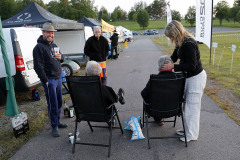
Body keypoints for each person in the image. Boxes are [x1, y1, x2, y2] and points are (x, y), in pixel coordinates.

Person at [161, 20, 207, 142]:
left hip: (196, 78)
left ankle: (192, 134)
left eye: (171, 35)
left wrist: (173, 67)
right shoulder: (179, 42)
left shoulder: (189, 43)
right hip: (188, 77)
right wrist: (166, 63)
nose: (170, 38)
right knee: (186, 105)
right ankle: (187, 129)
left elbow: (191, 65)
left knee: (192, 107)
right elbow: (174, 57)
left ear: (176, 32)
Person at [33, 22, 67, 137]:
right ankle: (54, 126)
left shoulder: (54, 45)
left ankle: (57, 121)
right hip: (50, 80)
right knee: (52, 103)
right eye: (48, 32)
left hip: (58, 78)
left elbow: (62, 58)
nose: (51, 35)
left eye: (52, 33)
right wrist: (45, 80)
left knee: (59, 102)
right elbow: (38, 66)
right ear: (43, 33)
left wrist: (60, 57)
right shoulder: (39, 47)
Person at [141, 56, 174, 126]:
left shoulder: (155, 79)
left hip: (156, 110)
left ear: (159, 66)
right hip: (174, 109)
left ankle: (158, 119)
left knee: (153, 99)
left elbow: (144, 93)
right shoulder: (178, 78)